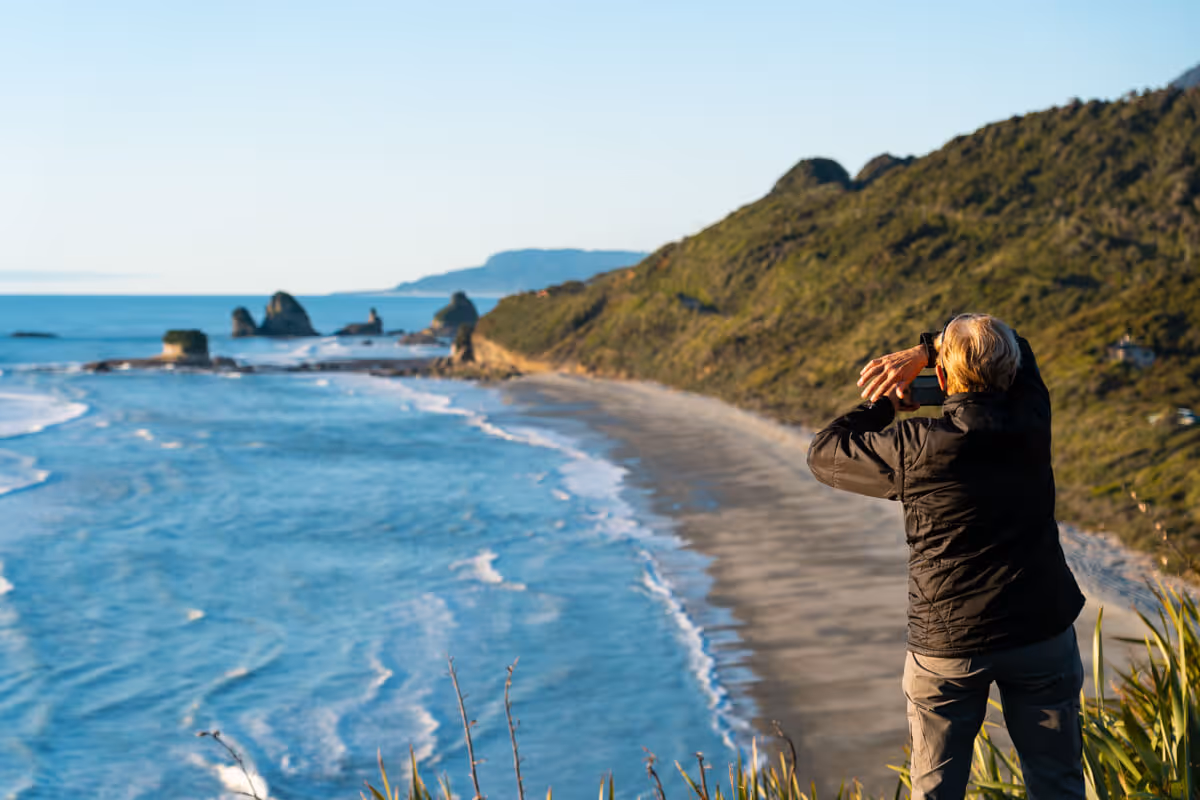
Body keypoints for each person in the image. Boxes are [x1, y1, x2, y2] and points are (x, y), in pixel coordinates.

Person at [806, 314, 1086, 800]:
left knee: (935, 790)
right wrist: (928, 348)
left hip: (948, 645)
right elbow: (1018, 342)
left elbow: (825, 453)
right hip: (1042, 627)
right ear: (1013, 371)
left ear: (945, 378)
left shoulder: (916, 446)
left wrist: (882, 406)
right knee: (1058, 784)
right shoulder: (1032, 415)